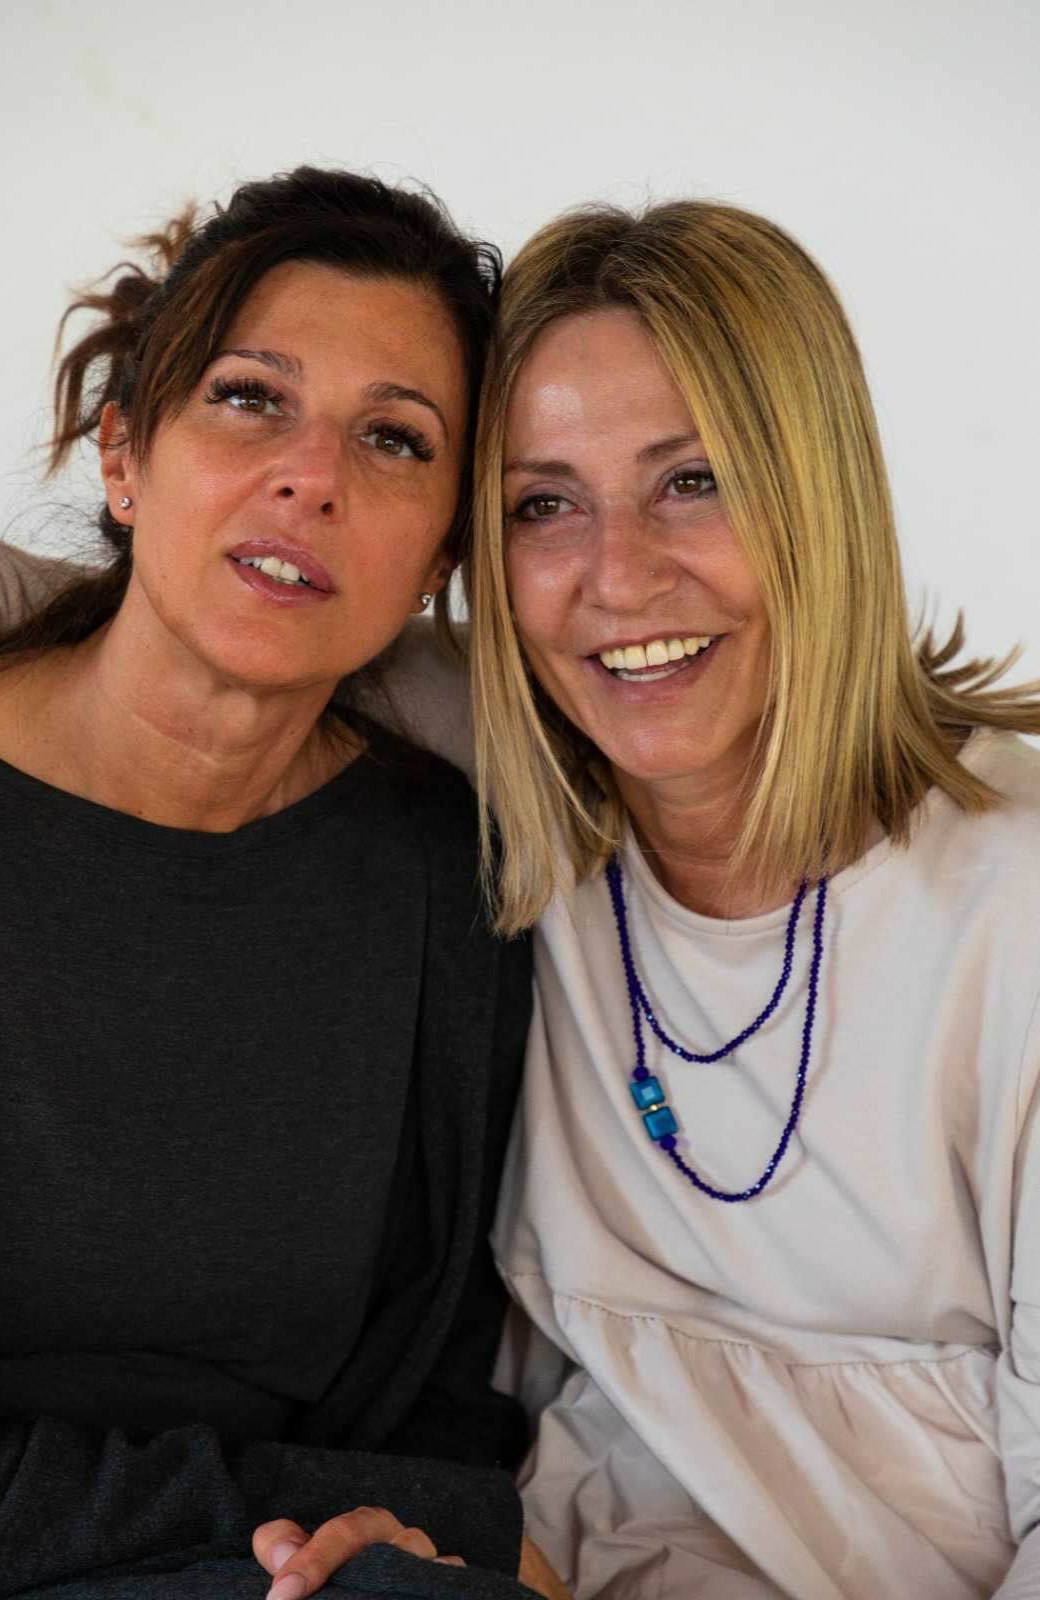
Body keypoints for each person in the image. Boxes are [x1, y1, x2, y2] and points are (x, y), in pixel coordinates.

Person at [0, 166, 549, 1600]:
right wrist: (291, 1522)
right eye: (249, 398)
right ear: (123, 455)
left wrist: (397, 1535)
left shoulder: (446, 876)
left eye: (395, 439)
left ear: (441, 556)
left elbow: (436, 1380)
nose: (314, 477)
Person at [462, 200, 1040, 1599]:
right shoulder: (499, 799)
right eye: (544, 505)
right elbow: (163, 638)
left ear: (819, 491)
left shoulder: (1008, 901)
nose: (618, 577)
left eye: (692, 480)